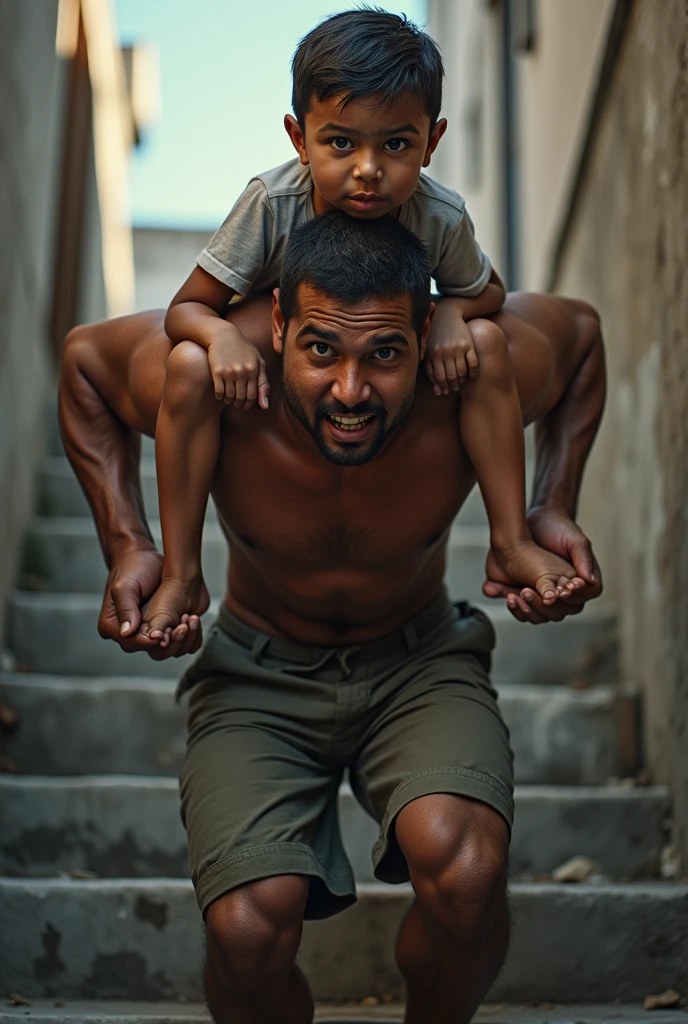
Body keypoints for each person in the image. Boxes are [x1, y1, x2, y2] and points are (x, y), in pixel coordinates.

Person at [59, 212, 605, 1024]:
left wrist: (550, 504)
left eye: (385, 354)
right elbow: (84, 367)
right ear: (277, 325)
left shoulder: (474, 375)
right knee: (246, 934)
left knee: (466, 875)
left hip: (421, 661)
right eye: (321, 351)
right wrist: (130, 544)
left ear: (427, 335)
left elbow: (584, 338)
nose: (352, 392)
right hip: (257, 673)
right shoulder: (219, 380)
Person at [144, 9, 587, 643]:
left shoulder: (438, 215)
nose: (368, 170)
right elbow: (185, 309)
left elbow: (488, 291)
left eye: (396, 145)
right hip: (290, 370)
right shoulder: (271, 205)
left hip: (389, 365)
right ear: (300, 139)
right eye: (342, 142)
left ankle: (511, 539)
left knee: (487, 346)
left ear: (431, 142)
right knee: (185, 363)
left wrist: (455, 316)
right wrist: (220, 337)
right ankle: (181, 571)